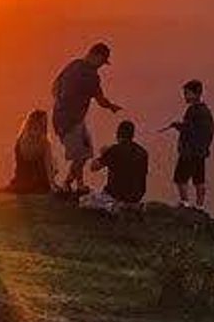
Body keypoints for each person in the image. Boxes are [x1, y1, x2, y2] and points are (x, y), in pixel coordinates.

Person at [51, 42, 123, 195]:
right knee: (81, 154)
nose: (101, 66)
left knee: (84, 153)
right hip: (70, 121)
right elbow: (100, 99)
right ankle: (73, 185)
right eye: (102, 62)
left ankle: (72, 184)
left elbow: (55, 86)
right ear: (95, 56)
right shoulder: (91, 76)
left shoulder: (73, 65)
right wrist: (111, 107)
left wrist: (60, 104)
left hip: (65, 118)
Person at [165, 79, 214, 209]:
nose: (185, 96)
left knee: (180, 178)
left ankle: (185, 203)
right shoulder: (206, 111)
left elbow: (189, 129)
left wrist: (178, 126)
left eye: (187, 93)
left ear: (196, 94)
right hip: (200, 152)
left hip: (189, 151)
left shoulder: (192, 110)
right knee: (199, 179)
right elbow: (208, 131)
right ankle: (200, 206)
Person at [84, 120, 149, 212]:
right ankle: (133, 205)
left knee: (85, 201)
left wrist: (104, 154)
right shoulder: (143, 152)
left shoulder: (115, 150)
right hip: (137, 195)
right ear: (132, 135)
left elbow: (93, 168)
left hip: (115, 194)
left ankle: (116, 206)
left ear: (118, 134)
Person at [8, 109, 56, 194]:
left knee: (55, 163)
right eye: (44, 122)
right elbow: (48, 166)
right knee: (55, 163)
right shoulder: (44, 142)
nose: (45, 125)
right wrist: (52, 185)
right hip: (37, 183)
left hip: (20, 181)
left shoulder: (20, 139)